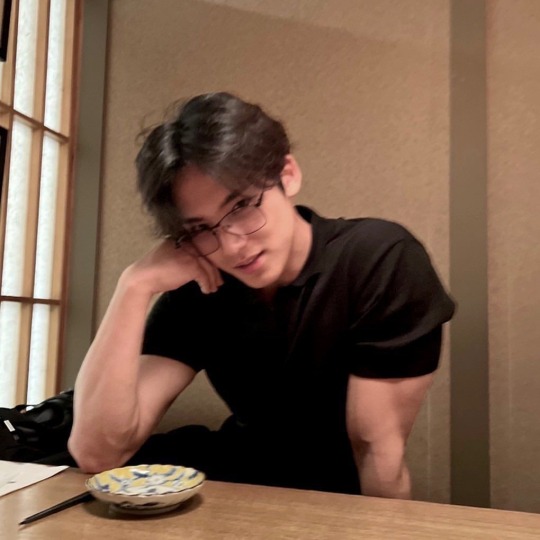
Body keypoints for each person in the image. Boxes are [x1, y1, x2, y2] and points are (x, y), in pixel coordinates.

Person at [68, 92, 455, 499]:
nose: (231, 245)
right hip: (228, 493)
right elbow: (98, 452)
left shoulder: (378, 259)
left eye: (241, 206)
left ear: (288, 174)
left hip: (334, 502)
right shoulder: (202, 284)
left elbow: (377, 454)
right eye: (200, 228)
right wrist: (133, 286)